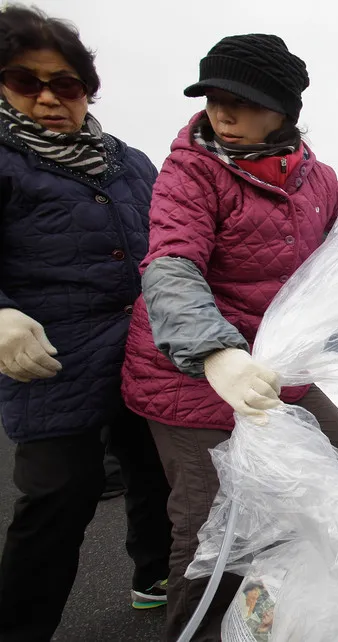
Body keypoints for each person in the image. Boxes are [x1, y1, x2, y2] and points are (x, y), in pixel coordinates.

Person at [119, 34, 338, 640]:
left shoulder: (319, 181)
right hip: (187, 372)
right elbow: (171, 264)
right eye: (215, 98)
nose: (223, 113)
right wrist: (214, 352)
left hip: (273, 367)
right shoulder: (191, 169)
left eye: (244, 102)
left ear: (285, 111)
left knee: (335, 445)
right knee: (208, 520)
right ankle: (191, 628)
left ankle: (265, 602)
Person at [0, 5, 172, 639]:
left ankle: (154, 577)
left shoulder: (128, 162)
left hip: (140, 346)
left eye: (66, 84)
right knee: (56, 498)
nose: (49, 98)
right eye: (26, 81)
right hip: (51, 358)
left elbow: (170, 241)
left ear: (87, 89)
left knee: (153, 470)